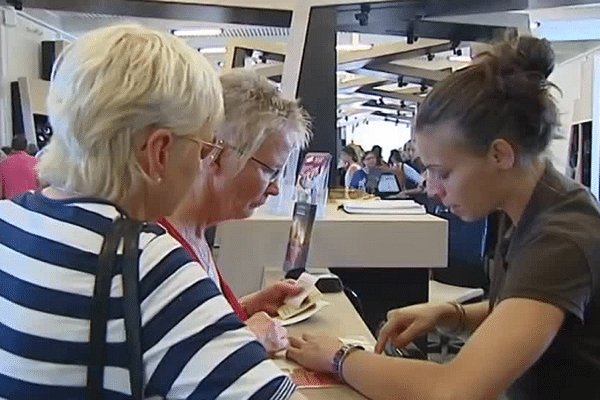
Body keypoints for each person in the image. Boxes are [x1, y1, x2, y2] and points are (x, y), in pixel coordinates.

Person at [285, 36, 600, 400]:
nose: (432, 189)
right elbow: (533, 308)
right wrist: (451, 315)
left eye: (443, 173)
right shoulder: (540, 208)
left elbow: (452, 390)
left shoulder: (561, 237)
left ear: (499, 154)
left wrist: (339, 358)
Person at [0, 25, 301, 400]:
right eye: (204, 149)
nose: (204, 164)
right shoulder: (146, 263)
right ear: (159, 152)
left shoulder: (9, 220)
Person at [159, 70, 312, 353]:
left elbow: (187, 327)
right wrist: (247, 340)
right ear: (217, 152)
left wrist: (245, 307)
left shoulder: (191, 234)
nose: (274, 189)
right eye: (269, 171)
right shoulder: (161, 252)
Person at [0, 134, 38, 199]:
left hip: (11, 205)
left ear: (12, 147)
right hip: (32, 205)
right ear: (26, 147)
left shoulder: (3, 164)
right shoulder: (36, 162)